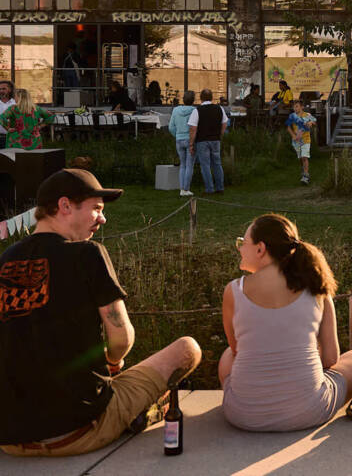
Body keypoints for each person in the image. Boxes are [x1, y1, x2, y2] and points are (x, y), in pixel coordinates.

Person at [0, 169, 201, 457]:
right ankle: (139, 412)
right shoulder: (87, 253)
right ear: (65, 206)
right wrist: (113, 363)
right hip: (77, 432)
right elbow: (121, 339)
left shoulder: (4, 260)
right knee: (186, 348)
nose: (102, 219)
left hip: (9, 440)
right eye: (96, 209)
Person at [219, 214, 352, 432]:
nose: (239, 248)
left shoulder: (233, 291)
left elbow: (237, 351)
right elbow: (330, 359)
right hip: (309, 412)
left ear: (260, 249)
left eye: (242, 243)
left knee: (227, 355)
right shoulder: (316, 287)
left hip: (242, 415)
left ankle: (252, 399)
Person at [188, 88, 229, 195]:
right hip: (215, 139)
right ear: (211, 97)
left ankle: (209, 189)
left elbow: (193, 128)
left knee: (205, 165)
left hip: (202, 140)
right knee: (217, 164)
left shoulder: (197, 110)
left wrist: (191, 143)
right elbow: (224, 123)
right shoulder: (219, 108)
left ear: (201, 98)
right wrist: (220, 134)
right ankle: (220, 188)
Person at [168, 90, 197, 197]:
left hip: (179, 139)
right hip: (190, 140)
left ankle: (182, 189)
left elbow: (171, 127)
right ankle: (186, 188)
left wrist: (177, 135)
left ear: (183, 99)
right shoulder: (195, 111)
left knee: (183, 165)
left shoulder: (175, 110)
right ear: (193, 100)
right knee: (190, 165)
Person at [286, 100, 317, 185]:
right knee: (300, 158)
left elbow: (314, 121)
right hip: (296, 140)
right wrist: (293, 135)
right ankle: (303, 170)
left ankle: (306, 176)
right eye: (294, 107)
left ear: (302, 107)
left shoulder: (307, 115)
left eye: (297, 106)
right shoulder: (292, 116)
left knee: (304, 157)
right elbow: (288, 127)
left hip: (306, 140)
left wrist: (311, 122)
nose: (295, 108)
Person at [0, 80, 15, 148]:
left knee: (12, 157)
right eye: (0, 89)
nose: (1, 91)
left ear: (10, 89)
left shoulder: (16, 103)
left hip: (14, 138)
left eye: (4, 89)